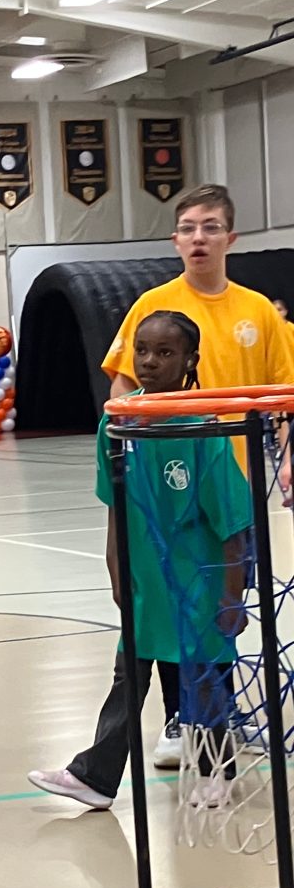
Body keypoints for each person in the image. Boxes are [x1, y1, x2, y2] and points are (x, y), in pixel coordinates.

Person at [102, 183, 294, 766]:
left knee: (223, 611)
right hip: (169, 490)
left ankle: (216, 719)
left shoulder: (257, 311)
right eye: (188, 227)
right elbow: (121, 387)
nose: (198, 237)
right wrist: (127, 451)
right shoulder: (153, 306)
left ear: (230, 238)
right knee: (167, 605)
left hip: (232, 490)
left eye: (210, 226)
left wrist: (287, 458)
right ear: (175, 239)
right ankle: (180, 721)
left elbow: (285, 397)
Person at [28, 311, 252, 810]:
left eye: (165, 352)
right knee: (129, 673)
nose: (150, 362)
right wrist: (115, 565)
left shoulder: (201, 430)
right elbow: (116, 505)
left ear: (190, 361)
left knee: (204, 673)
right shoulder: (119, 419)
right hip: (146, 577)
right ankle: (96, 777)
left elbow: (236, 526)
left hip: (201, 577)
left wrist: (232, 595)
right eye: (143, 350)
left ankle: (218, 768)